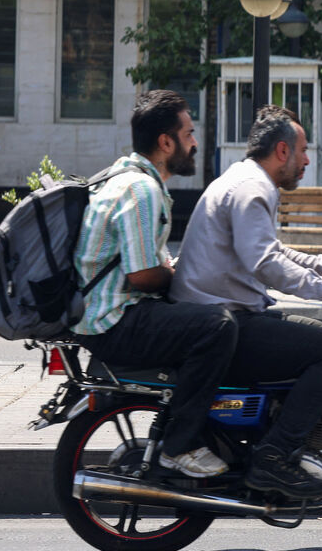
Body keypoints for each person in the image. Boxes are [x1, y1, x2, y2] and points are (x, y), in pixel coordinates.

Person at [172, 105, 322, 498]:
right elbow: (266, 263)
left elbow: (275, 250)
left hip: (224, 317)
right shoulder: (253, 188)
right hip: (222, 324)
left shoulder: (247, 181)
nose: (307, 159)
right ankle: (274, 458)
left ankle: (291, 442)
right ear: (282, 151)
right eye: (303, 150)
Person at [71, 90, 237, 478]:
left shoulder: (124, 178)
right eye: (189, 133)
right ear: (166, 142)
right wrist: (180, 276)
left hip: (108, 314)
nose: (194, 142)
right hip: (114, 321)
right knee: (218, 327)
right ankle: (180, 446)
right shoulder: (141, 190)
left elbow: (140, 263)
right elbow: (142, 275)